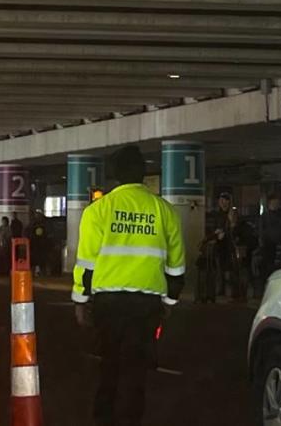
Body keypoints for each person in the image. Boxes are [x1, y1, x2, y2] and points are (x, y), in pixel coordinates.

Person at [73, 145, 186, 426]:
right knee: (136, 370)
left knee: (108, 365)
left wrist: (80, 300)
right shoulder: (164, 210)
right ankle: (130, 420)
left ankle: (104, 419)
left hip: (108, 303)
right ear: (143, 174)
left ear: (115, 175)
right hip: (147, 304)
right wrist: (170, 301)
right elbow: (177, 265)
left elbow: (86, 264)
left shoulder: (97, 211)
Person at [254, 193, 281, 298]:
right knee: (267, 269)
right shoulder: (265, 216)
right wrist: (262, 244)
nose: (276, 204)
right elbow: (261, 231)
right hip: (268, 246)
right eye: (274, 202)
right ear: (270, 203)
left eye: (277, 202)